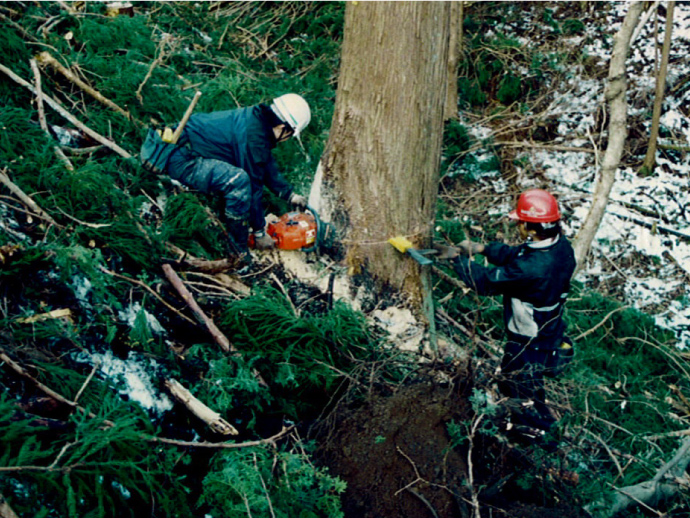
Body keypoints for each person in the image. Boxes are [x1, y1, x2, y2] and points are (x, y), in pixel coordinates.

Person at [435, 189, 576, 440]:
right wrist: (484, 248)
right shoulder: (559, 247)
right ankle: (518, 420)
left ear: (530, 227)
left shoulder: (532, 268)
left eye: (520, 223)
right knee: (511, 381)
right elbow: (518, 254)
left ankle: (538, 439)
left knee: (524, 390)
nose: (518, 227)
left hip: (529, 338)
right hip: (548, 329)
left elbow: (487, 282)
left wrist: (457, 260)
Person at [152, 93, 311, 261]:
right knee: (239, 182)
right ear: (282, 127)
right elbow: (254, 186)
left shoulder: (257, 120)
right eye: (289, 134)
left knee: (237, 178)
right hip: (179, 159)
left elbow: (265, 162)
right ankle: (237, 251)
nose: (286, 140)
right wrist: (259, 233)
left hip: (184, 149)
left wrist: (289, 194)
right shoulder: (254, 136)